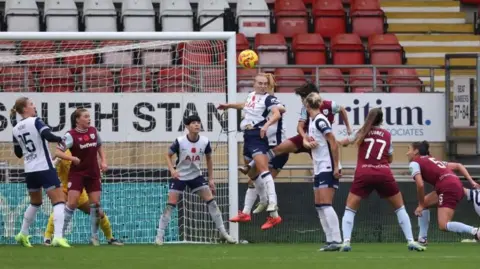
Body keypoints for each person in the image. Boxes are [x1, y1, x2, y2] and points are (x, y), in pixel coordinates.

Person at [337, 108, 425, 252]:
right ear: (382, 120)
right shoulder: (387, 135)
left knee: (350, 209)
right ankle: (411, 241)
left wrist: (336, 142)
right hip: (383, 173)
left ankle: (346, 242)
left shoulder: (362, 132)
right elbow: (389, 158)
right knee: (400, 207)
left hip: (363, 173)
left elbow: (344, 142)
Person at [239, 82, 352, 180]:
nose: (302, 101)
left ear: (310, 96)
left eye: (303, 98)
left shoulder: (329, 105)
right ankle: (251, 165)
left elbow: (342, 109)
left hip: (320, 142)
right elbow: (299, 127)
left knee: (325, 164)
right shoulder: (305, 109)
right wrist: (304, 137)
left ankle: (331, 178)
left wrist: (348, 127)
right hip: (305, 138)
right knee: (277, 149)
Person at [155, 115, 236, 245]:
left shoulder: (204, 141)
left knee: (212, 203)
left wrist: (211, 179)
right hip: (180, 176)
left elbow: (209, 159)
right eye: (193, 123)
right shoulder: (180, 141)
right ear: (187, 127)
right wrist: (172, 170)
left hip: (196, 176)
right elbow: (167, 154)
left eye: (198, 122)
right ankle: (159, 237)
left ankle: (223, 233)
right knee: (170, 205)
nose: (197, 125)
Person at [218, 73, 285, 230]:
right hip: (247, 136)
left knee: (263, 171)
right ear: (254, 84)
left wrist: (266, 125)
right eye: (259, 83)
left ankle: (272, 203)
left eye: (264, 83)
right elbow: (245, 106)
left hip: (258, 135)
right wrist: (229, 106)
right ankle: (252, 209)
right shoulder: (251, 96)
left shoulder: (269, 99)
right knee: (252, 174)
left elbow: (277, 112)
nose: (262, 86)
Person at [11, 97, 70, 248]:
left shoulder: (15, 128)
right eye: (31, 104)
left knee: (35, 202)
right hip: (44, 167)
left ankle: (22, 234)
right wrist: (61, 139)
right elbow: (48, 136)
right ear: (25, 109)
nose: (34, 106)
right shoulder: (36, 121)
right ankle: (57, 237)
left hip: (30, 170)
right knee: (59, 201)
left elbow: (18, 153)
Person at [44, 149, 123, 246]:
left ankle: (110, 238)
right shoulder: (63, 153)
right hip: (65, 190)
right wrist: (55, 162)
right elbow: (50, 166)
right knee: (59, 210)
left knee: (99, 212)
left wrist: (98, 170)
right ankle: (47, 238)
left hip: (80, 193)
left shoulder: (84, 152)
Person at [407, 141, 480, 244]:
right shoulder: (433, 159)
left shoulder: (415, 163)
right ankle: (422, 239)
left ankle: (475, 231)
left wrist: (421, 204)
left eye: (409, 149)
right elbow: (458, 165)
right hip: (455, 185)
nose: (407, 153)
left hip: (447, 187)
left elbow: (420, 185)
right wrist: (471, 181)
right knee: (425, 203)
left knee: (443, 225)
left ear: (416, 151)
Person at [55, 108, 108, 246]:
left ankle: (94, 237)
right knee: (71, 203)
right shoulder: (70, 135)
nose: (89, 118)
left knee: (95, 205)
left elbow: (100, 146)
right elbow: (57, 152)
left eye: (89, 116)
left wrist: (103, 161)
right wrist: (72, 157)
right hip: (77, 173)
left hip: (93, 173)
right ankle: (59, 236)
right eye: (85, 116)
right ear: (77, 120)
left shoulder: (93, 131)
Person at [302, 92, 342, 251]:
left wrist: (336, 165)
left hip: (327, 165)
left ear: (306, 106)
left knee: (325, 203)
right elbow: (316, 142)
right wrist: (309, 143)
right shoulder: (312, 121)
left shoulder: (320, 120)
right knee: (319, 205)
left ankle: (337, 240)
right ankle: (329, 240)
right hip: (318, 166)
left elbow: (333, 141)